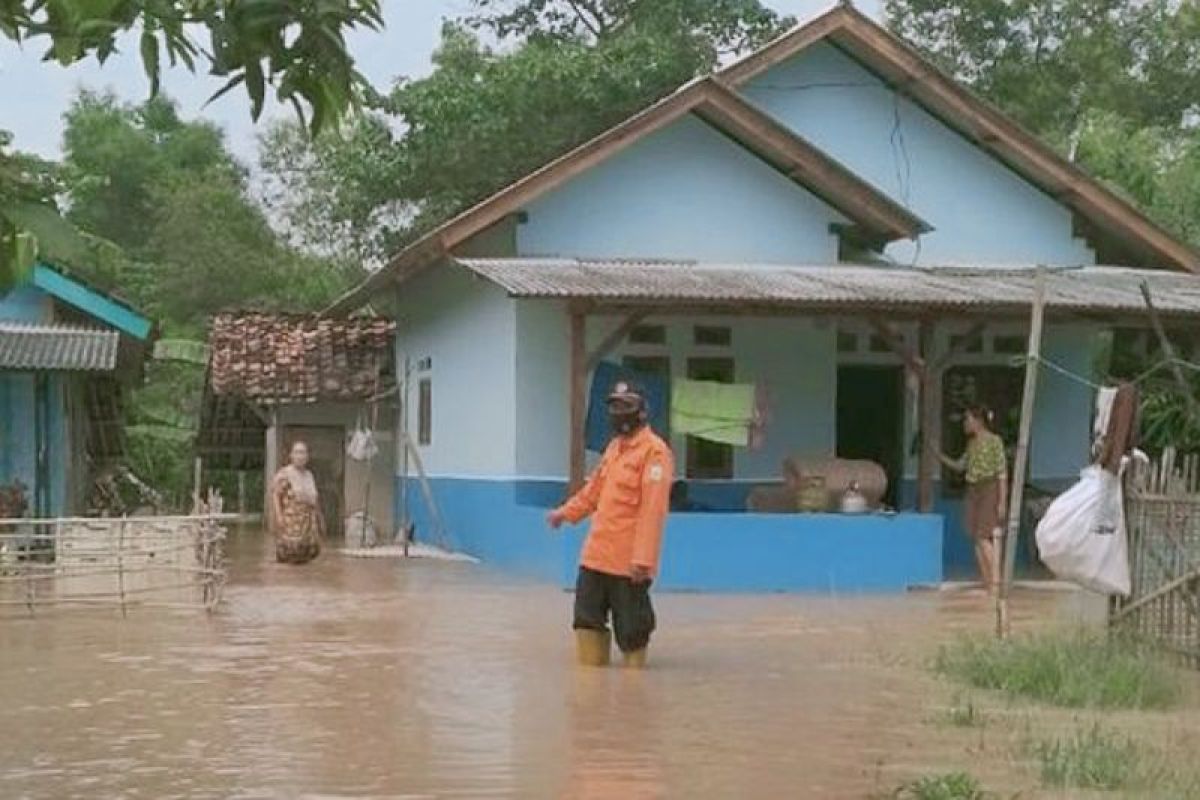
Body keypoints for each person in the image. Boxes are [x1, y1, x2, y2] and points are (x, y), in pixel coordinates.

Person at [547, 381, 674, 668]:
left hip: (628, 563)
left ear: (641, 412)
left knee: (632, 632)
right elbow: (593, 492)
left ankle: (632, 698)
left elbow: (653, 510)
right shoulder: (614, 449)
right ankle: (592, 694)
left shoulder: (655, 453)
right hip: (595, 556)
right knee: (585, 620)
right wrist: (564, 514)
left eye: (625, 406)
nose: (618, 412)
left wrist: (643, 560)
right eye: (614, 406)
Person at [940, 405, 1008, 594]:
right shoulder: (971, 444)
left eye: (967, 419)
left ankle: (996, 582)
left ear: (978, 421)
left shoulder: (995, 441)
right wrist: (938, 456)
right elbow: (960, 466)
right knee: (976, 539)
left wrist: (1002, 501)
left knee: (984, 537)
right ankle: (988, 584)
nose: (965, 424)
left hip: (989, 489)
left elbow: (1002, 473)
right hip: (973, 491)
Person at [271, 441, 324, 564]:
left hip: (308, 526)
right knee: (289, 557)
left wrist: (321, 518)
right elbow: (275, 495)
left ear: (307, 457)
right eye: (297, 452)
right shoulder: (285, 474)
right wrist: (278, 516)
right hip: (291, 524)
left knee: (308, 557)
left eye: (303, 453)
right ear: (291, 455)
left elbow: (315, 499)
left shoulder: (309, 475)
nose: (300, 456)